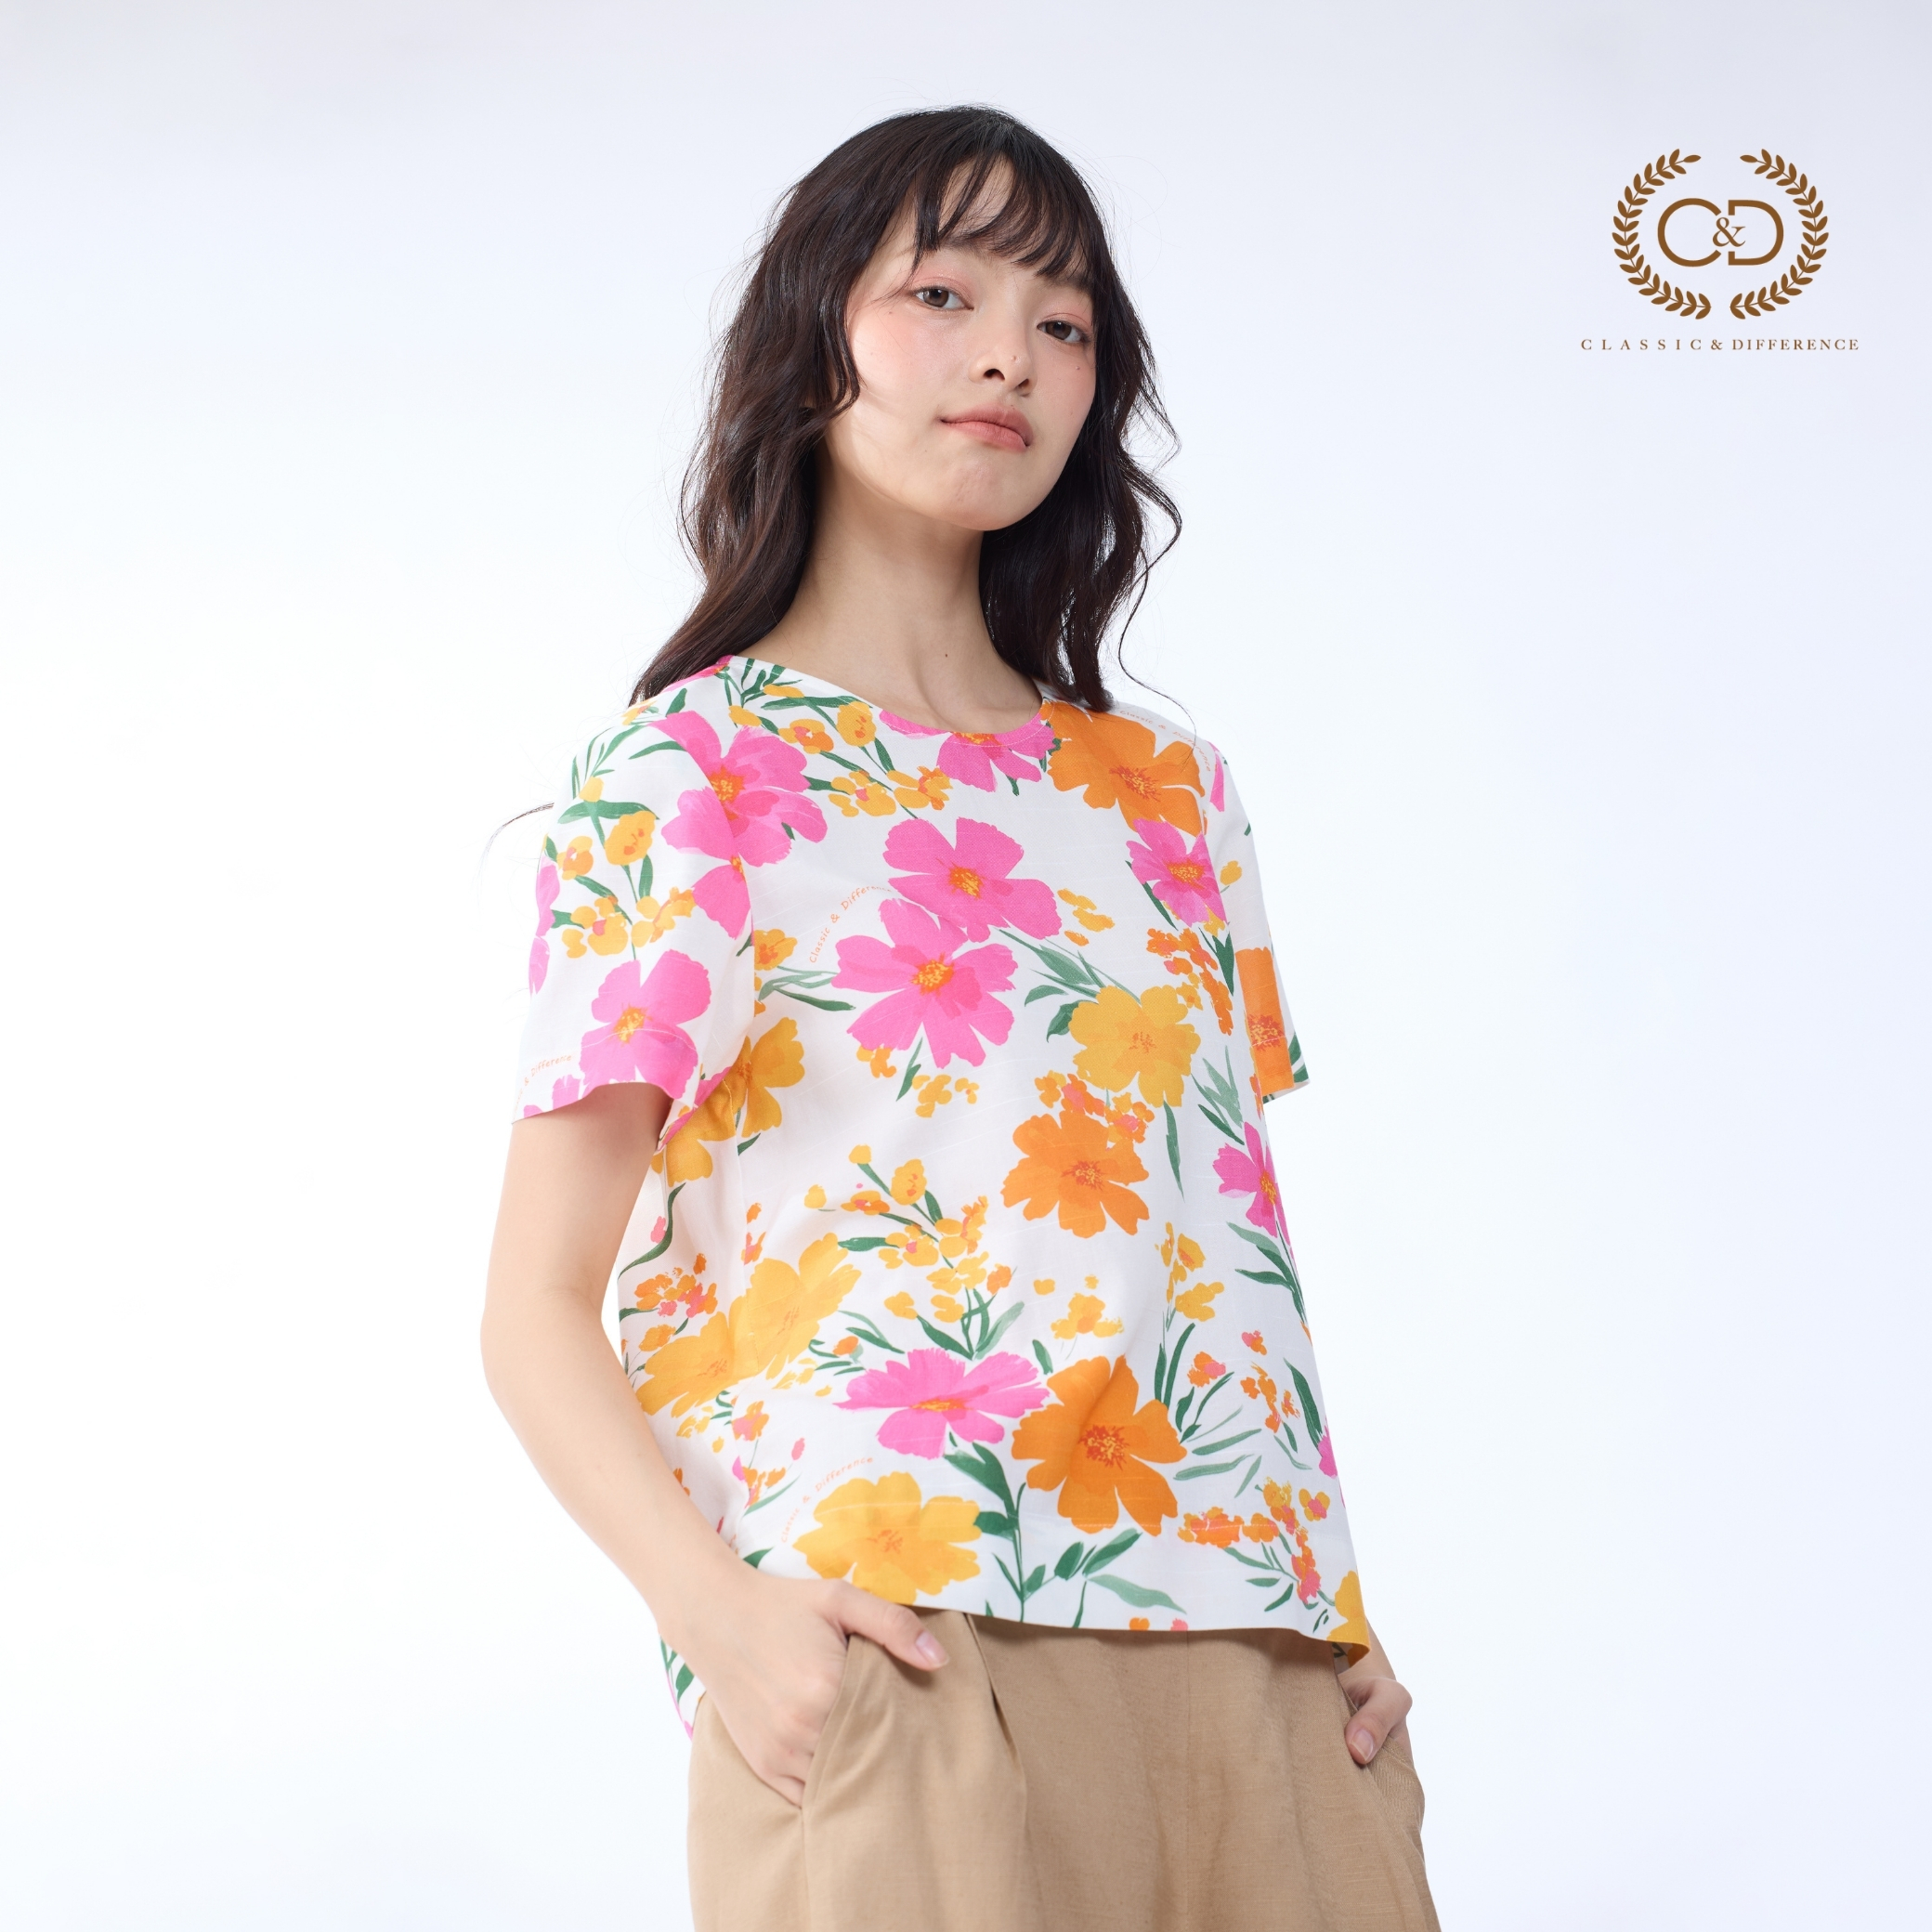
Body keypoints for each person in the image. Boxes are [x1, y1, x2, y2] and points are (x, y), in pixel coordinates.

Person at [483, 106, 1440, 1932]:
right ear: (809, 341)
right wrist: (724, 1624)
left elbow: (1214, 1254)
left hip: (1262, 1662)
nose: (1009, 353)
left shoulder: (1172, 798)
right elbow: (530, 1307)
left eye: (1063, 323)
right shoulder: (692, 770)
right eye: (943, 293)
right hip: (899, 1637)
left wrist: (1342, 1612)